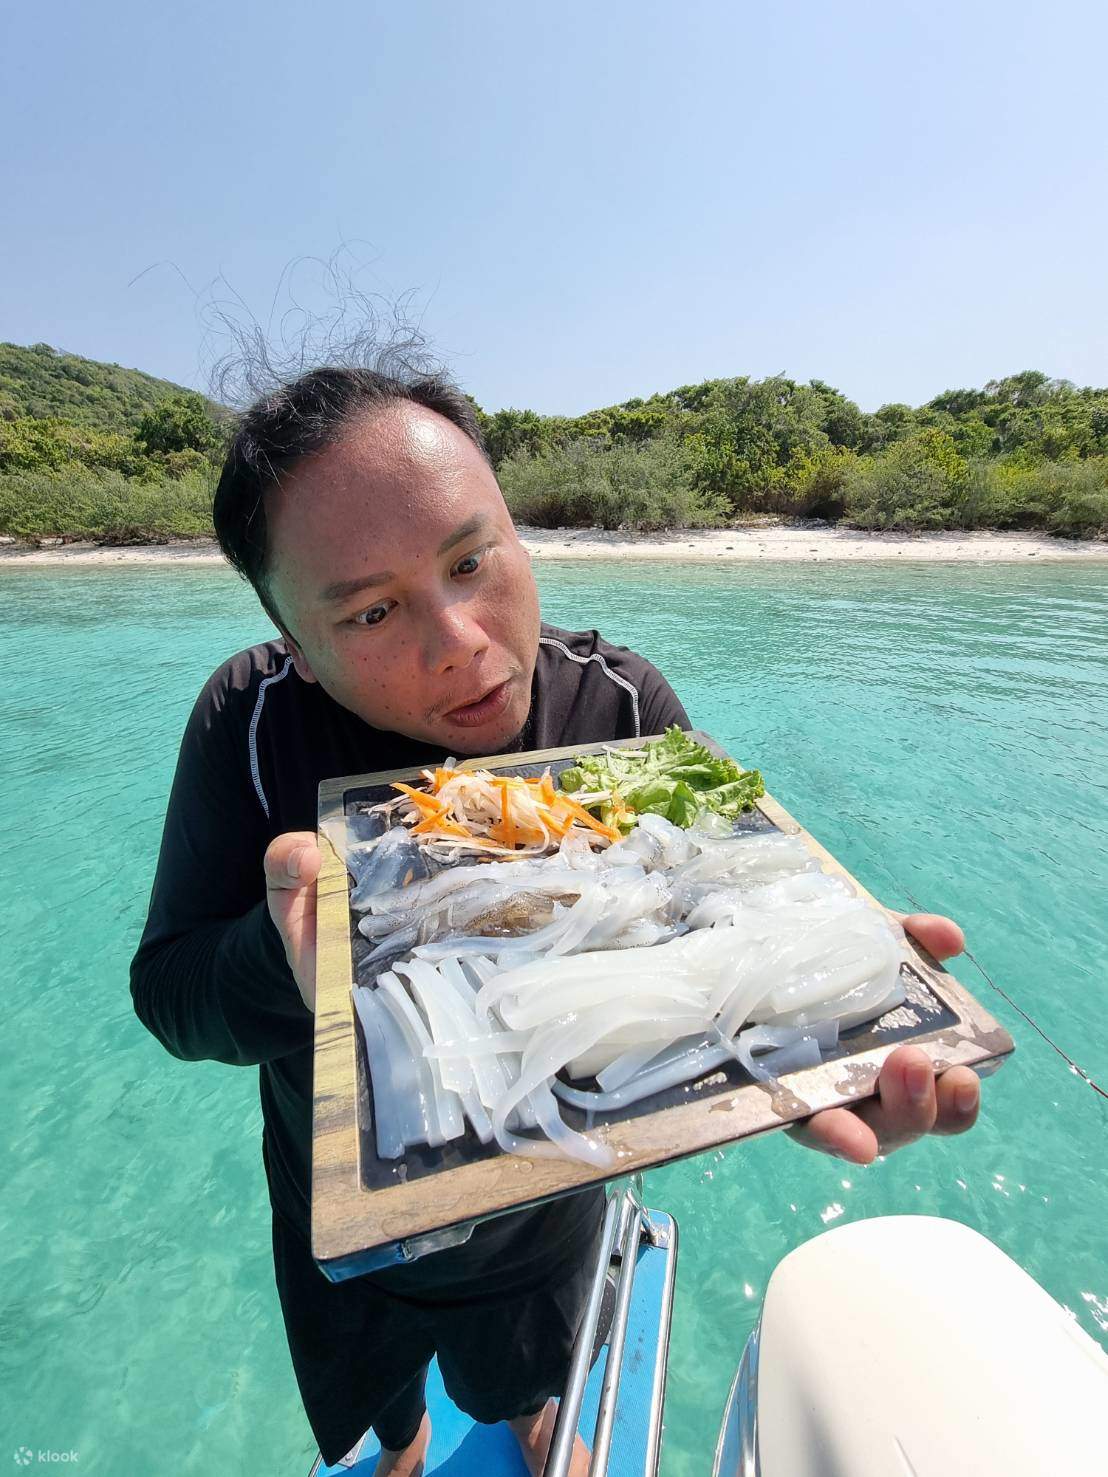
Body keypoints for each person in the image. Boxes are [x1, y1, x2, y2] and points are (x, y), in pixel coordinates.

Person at [129, 365, 980, 1477]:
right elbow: (172, 993)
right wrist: (276, 960)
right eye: (374, 611)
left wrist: (820, 999)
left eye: (473, 561)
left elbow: (739, 896)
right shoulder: (250, 724)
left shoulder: (621, 710)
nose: (463, 641)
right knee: (379, 1400)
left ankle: (534, 1411)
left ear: (517, 533)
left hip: (547, 1208)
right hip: (336, 1200)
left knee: (527, 1374)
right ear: (293, 639)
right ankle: (402, 1442)